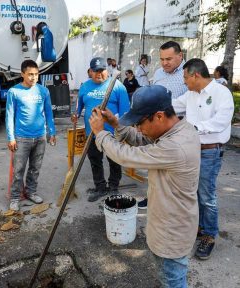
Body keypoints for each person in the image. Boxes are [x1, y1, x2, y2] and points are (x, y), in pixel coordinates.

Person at [89, 85, 200, 287]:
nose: (138, 128)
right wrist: (115, 124)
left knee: (172, 281)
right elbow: (143, 139)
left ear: (158, 116)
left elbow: (127, 155)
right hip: (169, 223)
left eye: (140, 122)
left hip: (172, 232)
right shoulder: (179, 129)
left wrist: (100, 133)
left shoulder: (175, 146)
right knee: (168, 278)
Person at [172, 58, 234, 260]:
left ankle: (209, 235)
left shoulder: (221, 93)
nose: (184, 82)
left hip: (210, 151)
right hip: (191, 150)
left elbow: (221, 122)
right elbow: (173, 106)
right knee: (192, 191)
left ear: (195, 75)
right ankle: (199, 227)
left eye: (185, 77)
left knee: (207, 196)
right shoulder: (190, 94)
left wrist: (194, 128)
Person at [72, 57, 130, 202]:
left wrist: (124, 130)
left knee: (114, 160)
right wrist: (75, 114)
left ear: (107, 70)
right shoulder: (85, 86)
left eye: (101, 71)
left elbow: (125, 113)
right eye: (95, 71)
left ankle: (114, 187)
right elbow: (78, 107)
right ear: (90, 71)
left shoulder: (117, 86)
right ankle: (100, 187)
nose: (98, 74)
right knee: (95, 161)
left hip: (113, 133)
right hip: (91, 132)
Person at [138, 40, 187, 209]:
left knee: (176, 174)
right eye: (162, 59)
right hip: (158, 129)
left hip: (178, 131)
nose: (165, 63)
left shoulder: (188, 74)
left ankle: (174, 205)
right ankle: (151, 197)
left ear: (180, 56)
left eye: (169, 59)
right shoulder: (159, 73)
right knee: (155, 169)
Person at [6, 59, 56, 211]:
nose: (33, 78)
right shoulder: (14, 92)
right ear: (22, 74)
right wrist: (11, 137)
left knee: (35, 168)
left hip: (40, 137)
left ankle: (31, 192)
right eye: (30, 75)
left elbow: (48, 112)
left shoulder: (43, 91)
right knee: (18, 170)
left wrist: (51, 132)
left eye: (36, 74)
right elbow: (9, 115)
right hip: (21, 138)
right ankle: (15, 198)